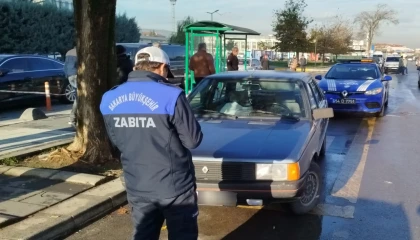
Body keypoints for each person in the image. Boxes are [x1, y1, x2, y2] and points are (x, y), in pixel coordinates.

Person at [99, 46, 203, 240]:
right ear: (162, 67)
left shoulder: (109, 98)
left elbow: (115, 141)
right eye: (166, 72)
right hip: (174, 186)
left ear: (137, 66)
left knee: (143, 235)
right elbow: (193, 140)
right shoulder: (172, 95)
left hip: (137, 184)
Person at [65, 47, 78, 128]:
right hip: (76, 75)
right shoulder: (81, 52)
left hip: (70, 75)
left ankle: (73, 119)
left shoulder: (68, 52)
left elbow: (65, 65)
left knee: (78, 96)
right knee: (79, 98)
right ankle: (72, 119)